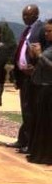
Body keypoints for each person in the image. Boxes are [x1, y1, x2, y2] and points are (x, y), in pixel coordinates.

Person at [7, 4, 46, 153]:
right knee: (25, 108)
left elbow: (44, 50)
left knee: (31, 109)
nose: (25, 18)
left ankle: (30, 143)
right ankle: (22, 139)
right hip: (23, 76)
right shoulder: (28, 30)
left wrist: (36, 68)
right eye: (23, 15)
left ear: (36, 15)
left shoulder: (41, 29)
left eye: (28, 15)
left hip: (33, 76)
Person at [26, 19, 52, 164]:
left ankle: (46, 155)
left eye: (50, 31)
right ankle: (38, 152)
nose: (46, 33)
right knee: (40, 122)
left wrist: (40, 55)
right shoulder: (48, 46)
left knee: (46, 123)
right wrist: (34, 55)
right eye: (46, 31)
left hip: (49, 88)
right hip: (41, 86)